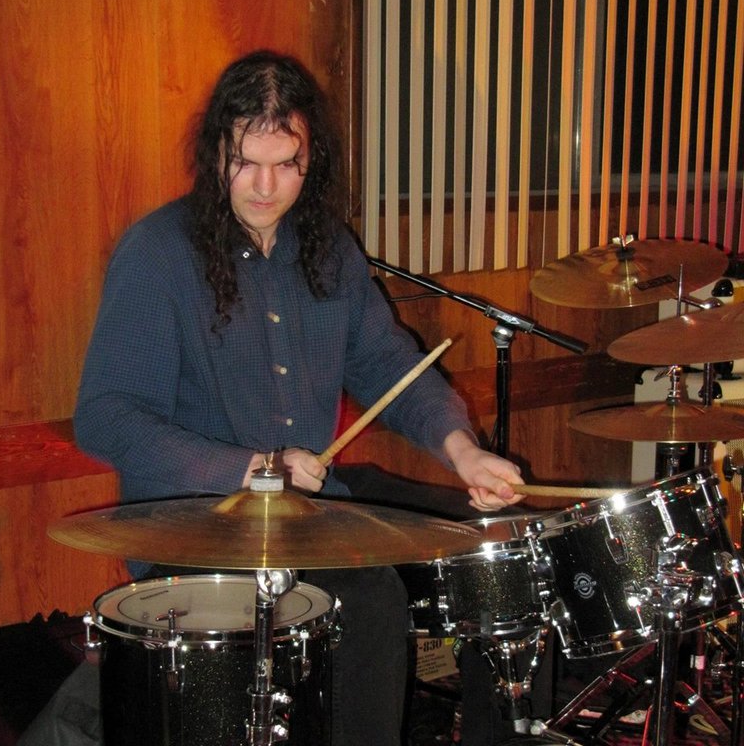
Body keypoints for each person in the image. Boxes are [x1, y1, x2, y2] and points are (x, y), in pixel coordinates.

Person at [69, 50, 525, 746]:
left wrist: (462, 450)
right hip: (196, 527)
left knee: (502, 548)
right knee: (368, 600)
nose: (264, 186)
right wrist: (255, 467)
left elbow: (386, 364)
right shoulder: (159, 253)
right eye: (245, 162)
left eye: (286, 164)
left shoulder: (328, 250)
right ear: (215, 152)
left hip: (311, 513)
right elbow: (106, 416)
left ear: (312, 160)